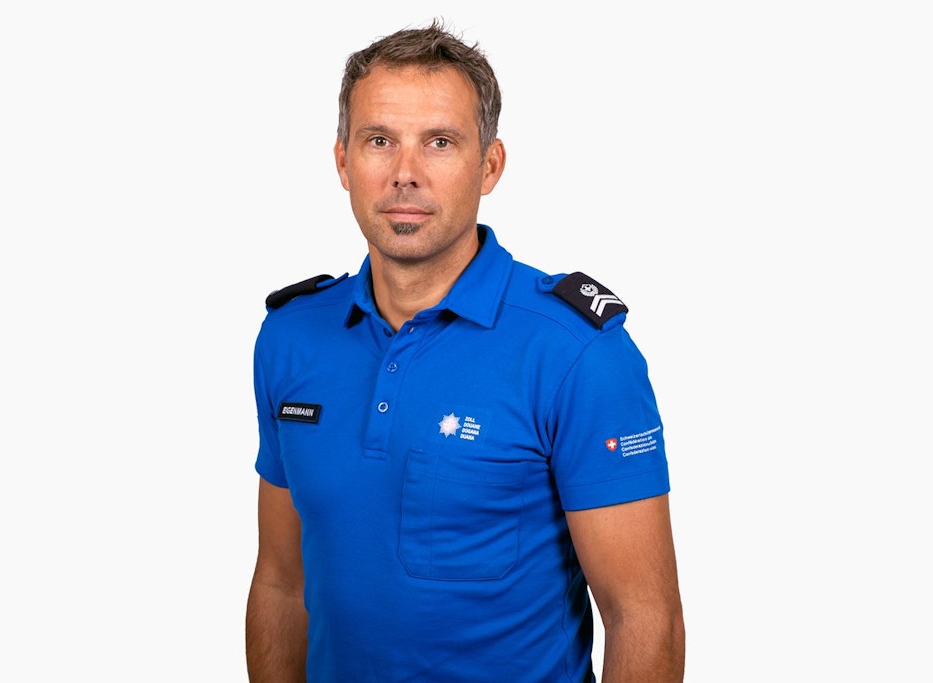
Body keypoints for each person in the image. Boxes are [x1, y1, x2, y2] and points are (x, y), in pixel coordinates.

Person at [245, 19, 684, 683]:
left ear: (490, 164)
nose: (405, 174)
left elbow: (645, 616)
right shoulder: (290, 335)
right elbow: (280, 583)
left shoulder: (574, 353)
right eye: (379, 141)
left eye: (440, 143)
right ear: (342, 160)